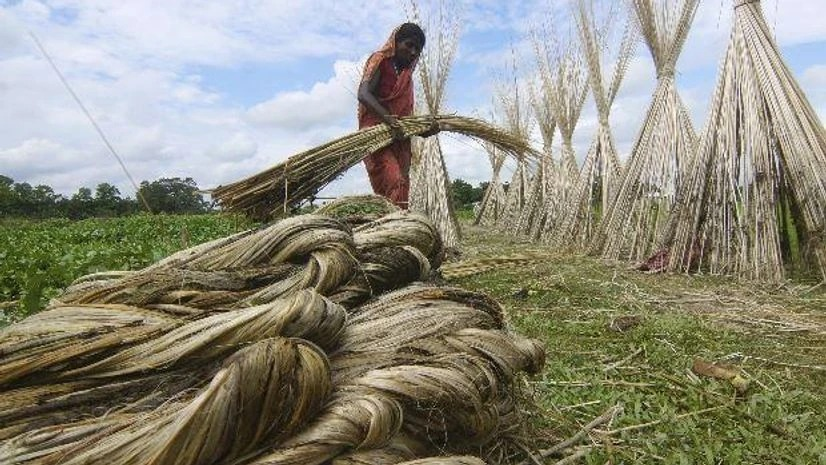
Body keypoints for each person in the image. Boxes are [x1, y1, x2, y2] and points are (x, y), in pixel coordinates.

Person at [357, 22, 438, 209]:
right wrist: (388, 119)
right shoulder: (381, 60)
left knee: (402, 182)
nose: (413, 52)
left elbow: (405, 121)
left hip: (398, 138)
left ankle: (394, 229)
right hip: (376, 133)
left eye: (417, 49)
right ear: (395, 42)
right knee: (393, 179)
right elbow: (364, 93)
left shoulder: (406, 77)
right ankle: (394, 226)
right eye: (409, 45)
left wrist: (426, 129)